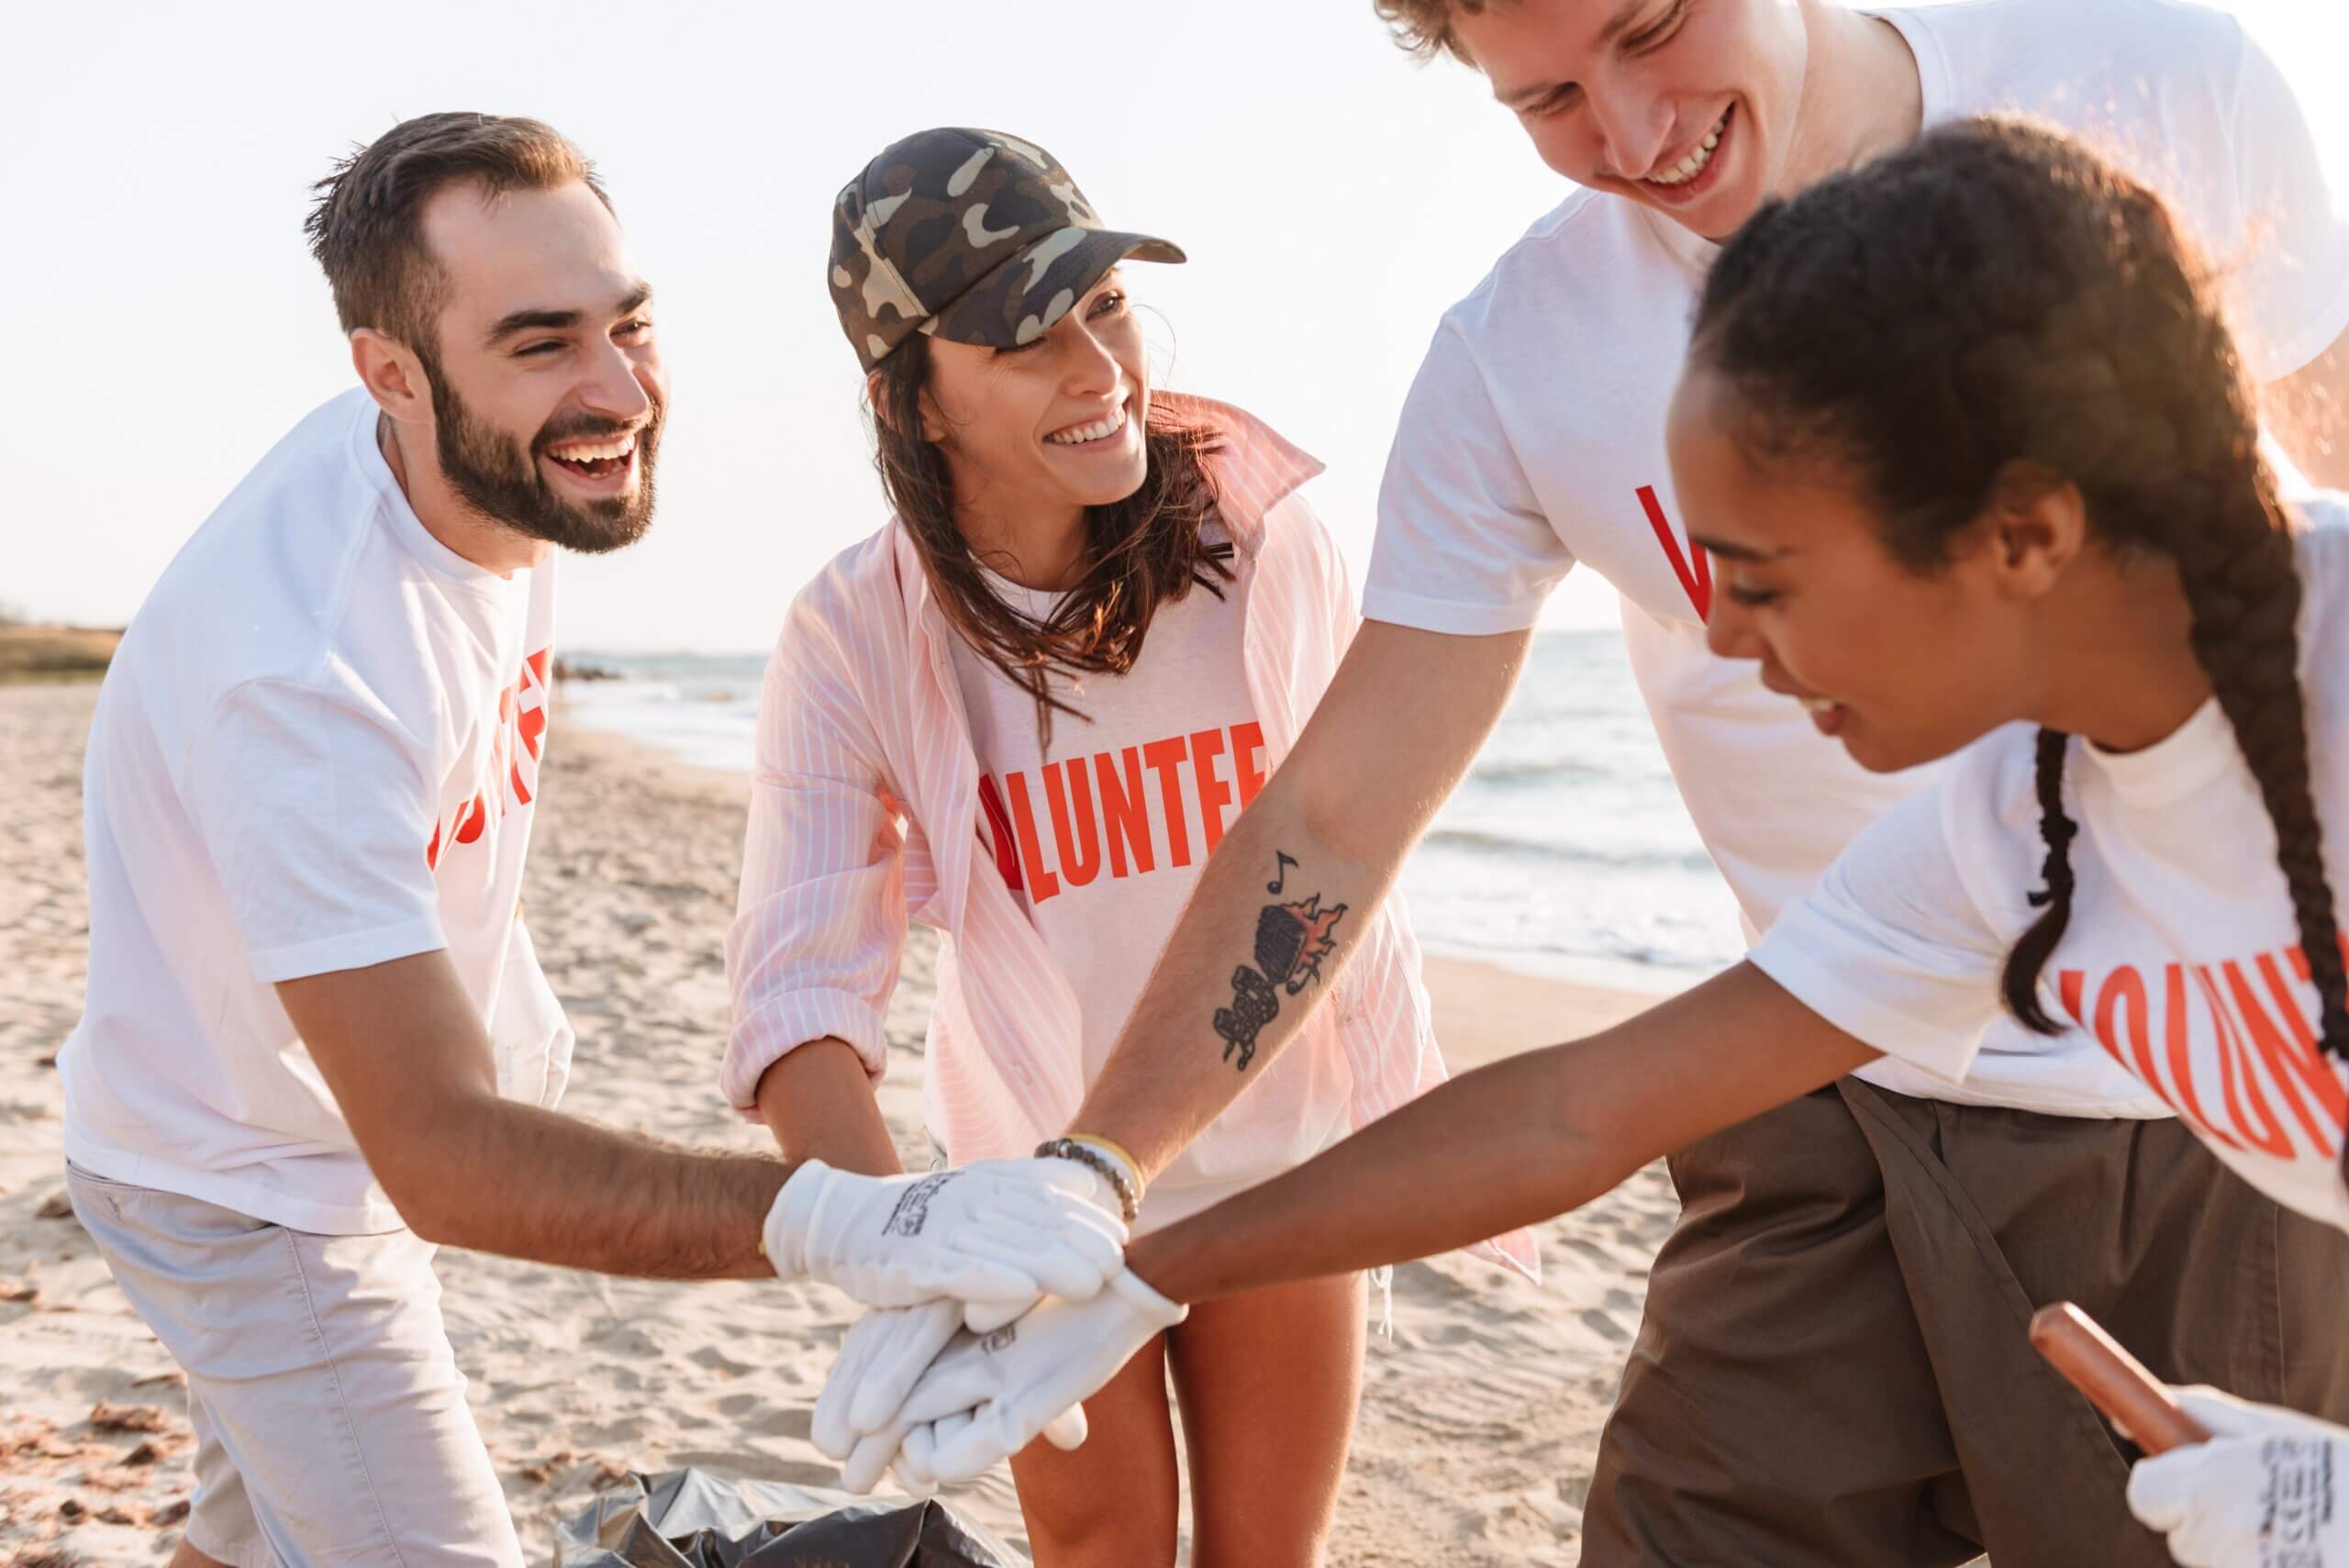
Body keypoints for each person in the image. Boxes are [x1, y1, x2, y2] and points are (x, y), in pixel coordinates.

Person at [818, 4, 2349, 1563]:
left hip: (2161, 1149)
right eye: (1546, 94)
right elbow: (1570, 1106)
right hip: (1844, 1070)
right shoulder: (1983, 840)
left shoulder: (2305, 699)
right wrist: (1133, 1249)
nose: (1719, 641)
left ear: (2020, 525)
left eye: (1762, 575)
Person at [56, 113, 1125, 1568]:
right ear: (391, 373)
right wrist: (858, 1221)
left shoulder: (481, 480)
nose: (619, 388)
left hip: (300, 1126)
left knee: (251, 1543)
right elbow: (443, 1158)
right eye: (543, 343)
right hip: (254, 1190)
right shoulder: (300, 672)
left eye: (631, 324)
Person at [727, 124, 1533, 1568]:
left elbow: (1346, 850)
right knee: (1098, 1556)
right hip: (1029, 1195)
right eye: (1024, 337)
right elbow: (801, 996)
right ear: (908, 400)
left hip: (1282, 1167)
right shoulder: (853, 631)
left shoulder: (1267, 543)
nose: (1100, 372)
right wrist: (907, 1249)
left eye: (1103, 304)